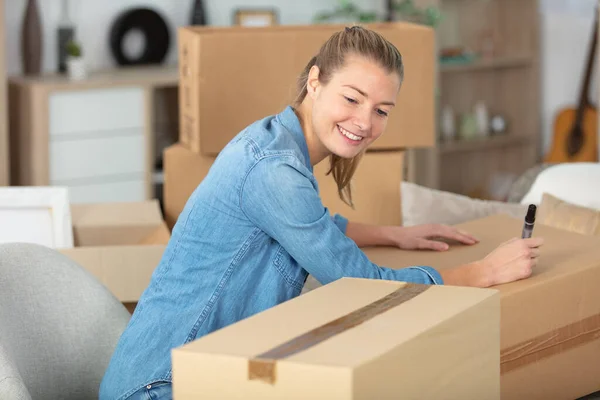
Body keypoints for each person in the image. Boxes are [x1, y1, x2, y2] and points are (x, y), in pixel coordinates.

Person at [99, 25, 543, 400]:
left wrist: (391, 234)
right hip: (162, 387)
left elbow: (299, 224)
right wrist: (481, 274)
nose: (365, 122)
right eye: (352, 98)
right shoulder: (274, 172)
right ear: (316, 82)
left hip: (185, 374)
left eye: (381, 110)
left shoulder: (273, 139)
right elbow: (363, 287)